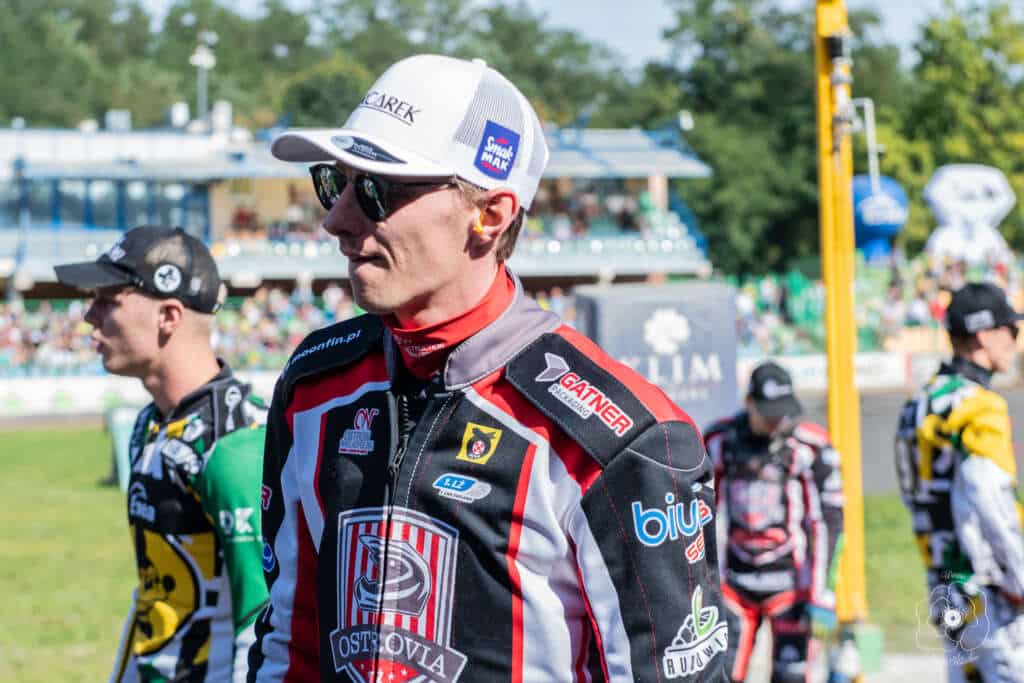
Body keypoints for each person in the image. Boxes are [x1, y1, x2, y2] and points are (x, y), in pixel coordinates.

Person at [248, 54, 727, 682]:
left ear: (490, 215)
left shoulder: (619, 438)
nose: (336, 218)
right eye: (333, 183)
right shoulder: (314, 386)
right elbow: (290, 642)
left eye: (375, 191)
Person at [54, 226, 269, 682]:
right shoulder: (148, 425)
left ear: (168, 316)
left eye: (108, 300)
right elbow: (153, 594)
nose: (89, 315)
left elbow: (261, 622)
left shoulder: (237, 442)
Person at [895, 282, 1024, 682]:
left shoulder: (916, 405)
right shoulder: (979, 407)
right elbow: (991, 502)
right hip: (993, 596)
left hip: (944, 590)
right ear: (985, 335)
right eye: (1012, 330)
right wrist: (1020, 579)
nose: (1016, 341)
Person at [704, 361, 844, 682]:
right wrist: (708, 583)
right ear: (749, 403)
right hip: (735, 587)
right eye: (767, 412)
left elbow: (829, 521)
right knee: (721, 675)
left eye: (782, 412)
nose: (775, 420)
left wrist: (823, 593)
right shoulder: (718, 440)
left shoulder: (811, 447)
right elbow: (702, 513)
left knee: (792, 677)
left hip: (792, 587)